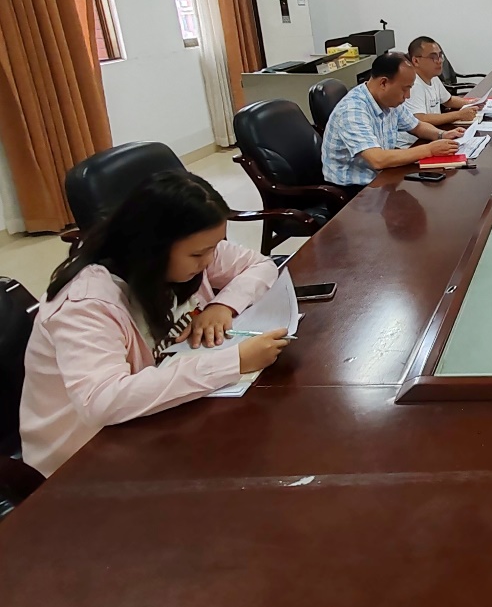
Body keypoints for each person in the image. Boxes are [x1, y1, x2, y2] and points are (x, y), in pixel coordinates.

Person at [20, 173, 291, 476]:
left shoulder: (192, 248)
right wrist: (233, 362)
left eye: (213, 248)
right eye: (198, 254)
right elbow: (102, 401)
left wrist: (222, 305)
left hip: (155, 416)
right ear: (151, 247)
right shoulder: (85, 305)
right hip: (82, 456)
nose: (208, 261)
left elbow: (260, 265)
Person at [322, 51, 461, 194]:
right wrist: (429, 150)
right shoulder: (353, 110)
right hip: (354, 190)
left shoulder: (389, 100)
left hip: (382, 176)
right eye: (405, 88)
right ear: (383, 83)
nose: (408, 96)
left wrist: (442, 134)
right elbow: (377, 159)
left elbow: (417, 126)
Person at [398, 36, 480, 140]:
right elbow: (420, 119)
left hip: (433, 134)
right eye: (433, 57)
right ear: (416, 61)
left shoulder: (433, 77)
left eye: (440, 56)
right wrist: (459, 115)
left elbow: (448, 100)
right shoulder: (413, 84)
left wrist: (472, 103)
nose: (439, 61)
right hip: (415, 142)